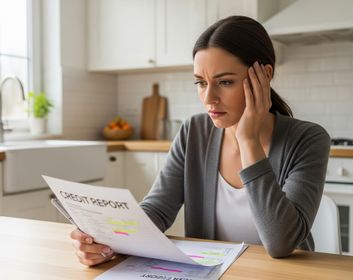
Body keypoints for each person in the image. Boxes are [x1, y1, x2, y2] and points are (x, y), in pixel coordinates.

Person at [70, 15, 330, 266]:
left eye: (225, 82)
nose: (209, 99)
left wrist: (248, 140)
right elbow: (158, 209)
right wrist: (107, 238)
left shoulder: (308, 140)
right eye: (201, 83)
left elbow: (281, 243)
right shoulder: (194, 130)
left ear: (264, 75)